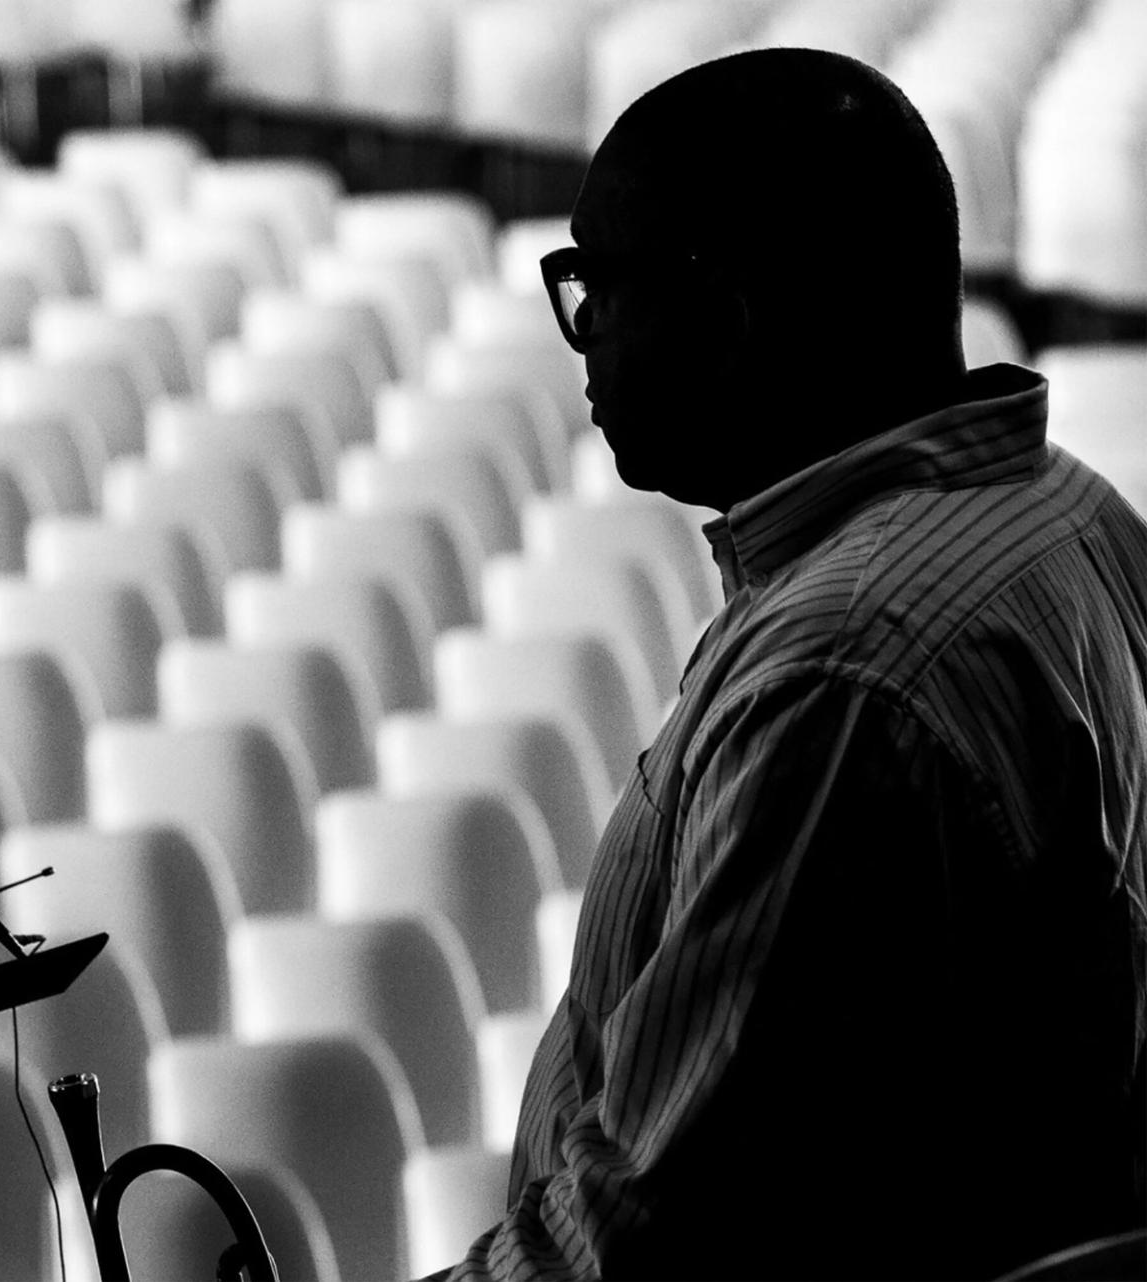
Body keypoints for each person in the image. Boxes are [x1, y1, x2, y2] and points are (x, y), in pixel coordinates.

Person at [438, 47, 1147, 1281]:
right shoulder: (1072, 513)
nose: (584, 330)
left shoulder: (839, 675)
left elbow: (659, 1232)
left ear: (729, 317)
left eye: (600, 283)